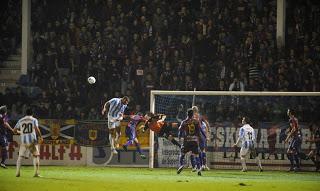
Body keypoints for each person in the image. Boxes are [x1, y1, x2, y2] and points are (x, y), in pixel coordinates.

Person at [14, 108, 43, 177]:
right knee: (35, 156)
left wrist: (21, 132)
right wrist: (40, 136)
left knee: (20, 156)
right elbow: (36, 128)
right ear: (32, 113)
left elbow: (14, 130)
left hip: (23, 141)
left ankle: (17, 173)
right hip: (32, 141)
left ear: (26, 113)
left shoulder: (21, 120)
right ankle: (36, 173)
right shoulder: (34, 120)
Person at [177, 108, 202, 176]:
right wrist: (199, 140)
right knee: (196, 155)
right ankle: (199, 169)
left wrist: (179, 138)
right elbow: (199, 132)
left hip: (187, 141)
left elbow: (180, 131)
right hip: (194, 141)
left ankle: (181, 165)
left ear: (187, 114)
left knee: (182, 154)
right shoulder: (196, 122)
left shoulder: (184, 122)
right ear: (193, 114)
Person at [192, 106, 210, 171]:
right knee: (202, 150)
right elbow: (207, 123)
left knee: (195, 151)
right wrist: (208, 133)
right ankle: (203, 165)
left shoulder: (191, 117)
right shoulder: (200, 117)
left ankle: (196, 166)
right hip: (201, 135)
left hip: (194, 135)